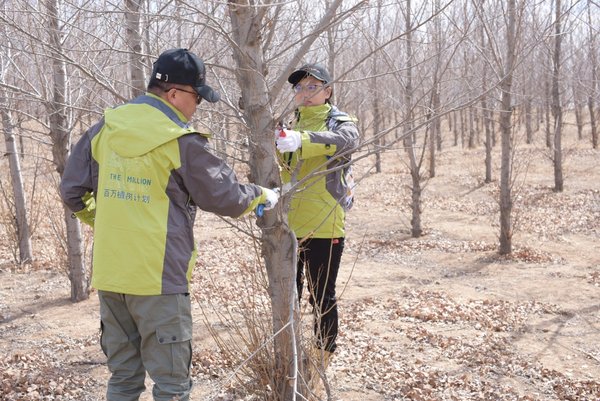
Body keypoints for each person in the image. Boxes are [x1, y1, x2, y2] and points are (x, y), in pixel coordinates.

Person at [59, 48, 278, 401]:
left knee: (123, 380)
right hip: (159, 281)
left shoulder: (105, 128)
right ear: (175, 93)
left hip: (112, 275)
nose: (197, 107)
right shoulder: (178, 140)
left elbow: (71, 192)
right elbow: (223, 195)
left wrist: (103, 219)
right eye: (197, 98)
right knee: (172, 386)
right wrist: (262, 196)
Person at [276, 64, 359, 368]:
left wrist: (303, 141)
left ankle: (321, 360)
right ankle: (291, 356)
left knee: (321, 295)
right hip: (287, 225)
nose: (305, 94)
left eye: (313, 87)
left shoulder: (340, 121)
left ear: (328, 91)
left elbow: (348, 141)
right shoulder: (287, 124)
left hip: (325, 223)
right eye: (299, 88)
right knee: (288, 296)